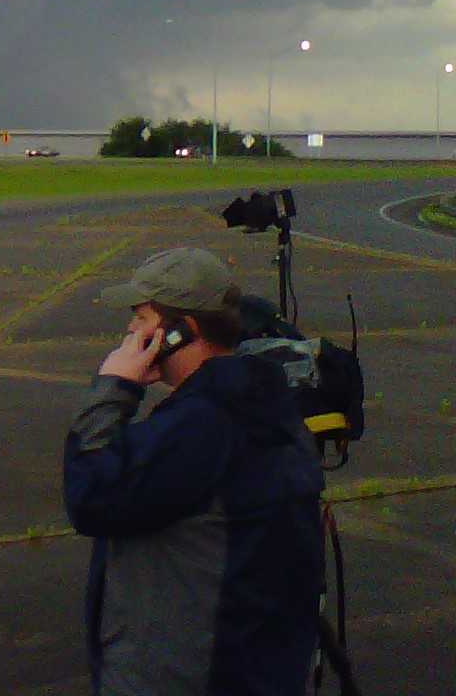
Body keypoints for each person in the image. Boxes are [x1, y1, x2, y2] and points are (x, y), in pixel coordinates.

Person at [62, 247, 325, 696]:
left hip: (187, 674)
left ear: (183, 330)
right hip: (256, 665)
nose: (130, 329)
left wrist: (113, 389)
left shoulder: (201, 424)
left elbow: (92, 496)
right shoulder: (262, 400)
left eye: (142, 317)